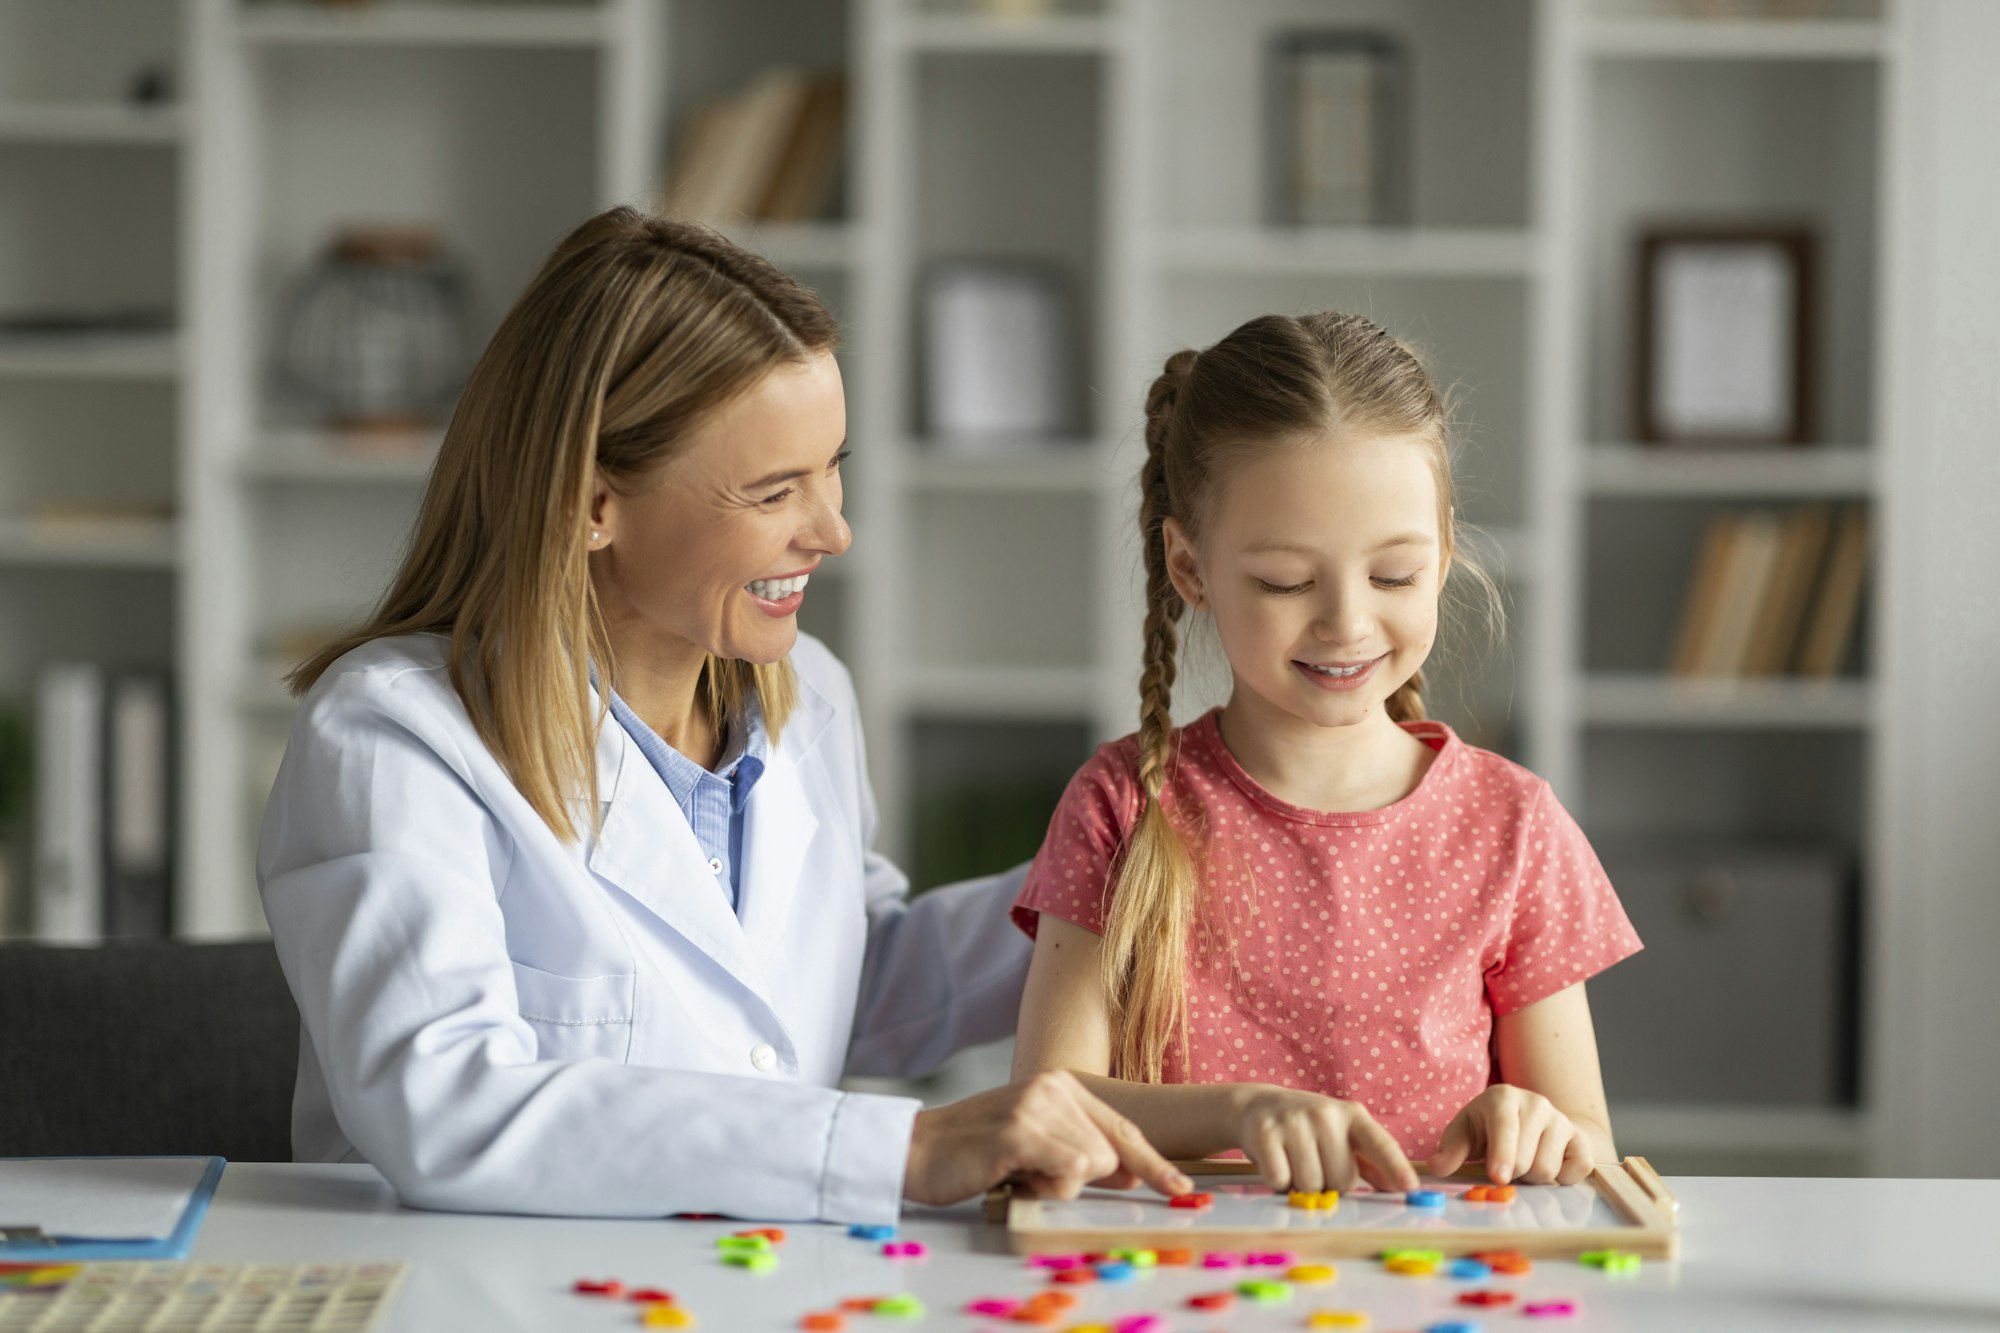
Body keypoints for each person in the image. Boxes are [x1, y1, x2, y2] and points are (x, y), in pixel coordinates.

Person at [258, 207, 1190, 1223]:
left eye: (832, 468)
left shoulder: (808, 698)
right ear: (591, 504)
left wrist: (1113, 881)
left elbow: (850, 982)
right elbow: (444, 1105)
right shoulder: (395, 737)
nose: (833, 529)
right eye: (773, 492)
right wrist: (903, 1147)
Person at [1010, 311, 1642, 1195]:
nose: (1346, 621)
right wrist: (1237, 1112)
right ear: (1191, 570)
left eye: (1393, 575)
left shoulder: (1513, 823)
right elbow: (1046, 1105)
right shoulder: (1122, 803)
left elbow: (1586, 1140)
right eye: (1286, 582)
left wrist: (1538, 1126)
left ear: (1446, 552)